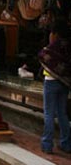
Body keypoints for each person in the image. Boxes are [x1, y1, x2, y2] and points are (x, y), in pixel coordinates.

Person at [39, 17, 71, 154]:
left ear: (55, 32)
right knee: (62, 114)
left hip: (51, 82)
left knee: (49, 113)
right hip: (64, 83)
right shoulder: (69, 45)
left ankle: (47, 144)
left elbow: (42, 55)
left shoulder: (54, 45)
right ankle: (66, 144)